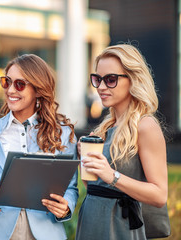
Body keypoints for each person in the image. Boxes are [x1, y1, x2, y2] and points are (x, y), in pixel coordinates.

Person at [0, 54, 79, 240]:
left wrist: (65, 207)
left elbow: (71, 188)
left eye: (19, 84)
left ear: (38, 89)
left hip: (47, 233)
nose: (10, 90)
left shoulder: (63, 134)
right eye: (6, 82)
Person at [75, 44, 168, 239]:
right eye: (97, 79)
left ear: (133, 80)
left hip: (120, 228)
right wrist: (86, 162)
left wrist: (112, 175)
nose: (101, 87)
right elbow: (95, 188)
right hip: (91, 223)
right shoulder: (103, 129)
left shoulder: (145, 125)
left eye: (110, 79)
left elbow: (159, 196)